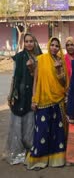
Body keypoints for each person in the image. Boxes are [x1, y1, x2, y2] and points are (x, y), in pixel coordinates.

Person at [25, 37, 69, 170]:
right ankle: (38, 160)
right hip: (43, 101)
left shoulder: (60, 61)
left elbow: (63, 83)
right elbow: (36, 81)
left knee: (57, 132)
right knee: (42, 132)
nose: (54, 48)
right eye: (52, 45)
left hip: (58, 101)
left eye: (57, 46)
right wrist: (34, 99)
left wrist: (59, 69)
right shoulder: (41, 59)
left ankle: (56, 160)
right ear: (49, 46)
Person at [4, 33, 42, 165]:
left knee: (30, 125)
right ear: (24, 43)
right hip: (19, 95)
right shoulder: (20, 57)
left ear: (35, 42)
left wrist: (32, 68)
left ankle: (30, 151)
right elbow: (14, 77)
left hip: (33, 95)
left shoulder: (40, 58)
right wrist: (10, 94)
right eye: (27, 41)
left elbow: (41, 78)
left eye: (31, 41)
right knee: (17, 125)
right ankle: (17, 154)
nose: (29, 44)